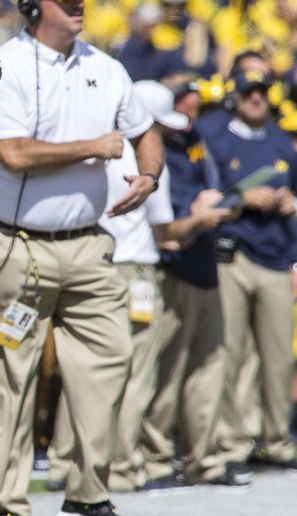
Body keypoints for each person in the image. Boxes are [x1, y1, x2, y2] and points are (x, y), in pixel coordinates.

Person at [0, 1, 164, 515]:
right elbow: (11, 153)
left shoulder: (105, 66)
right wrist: (94, 147)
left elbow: (146, 132)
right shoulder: (3, 63)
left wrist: (148, 178)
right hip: (18, 243)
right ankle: (8, 501)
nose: (80, 3)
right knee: (10, 377)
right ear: (34, 7)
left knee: (110, 360)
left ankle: (87, 491)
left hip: (89, 243)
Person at [137, 76, 249, 490]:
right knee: (166, 371)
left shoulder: (196, 139)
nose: (190, 110)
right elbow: (164, 218)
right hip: (174, 263)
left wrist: (225, 205)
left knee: (210, 366)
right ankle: (155, 458)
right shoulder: (156, 146)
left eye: (194, 103)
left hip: (204, 262)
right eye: (184, 101)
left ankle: (203, 459)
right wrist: (198, 210)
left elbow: (220, 189)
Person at [206, 69, 297, 470]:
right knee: (232, 351)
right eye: (248, 93)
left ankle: (277, 439)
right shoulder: (218, 139)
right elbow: (206, 198)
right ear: (236, 98)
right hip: (235, 251)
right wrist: (244, 198)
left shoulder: (282, 142)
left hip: (277, 254)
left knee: (278, 357)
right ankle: (233, 441)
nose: (256, 99)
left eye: (261, 92)